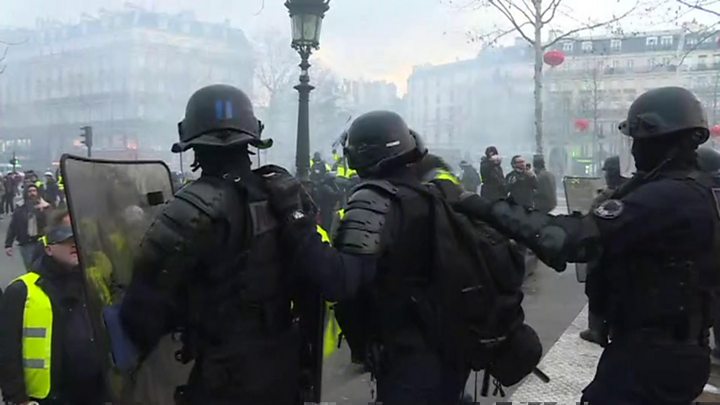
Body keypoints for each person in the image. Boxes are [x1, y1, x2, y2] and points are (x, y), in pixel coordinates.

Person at [453, 86, 719, 405]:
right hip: (659, 348)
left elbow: (567, 239)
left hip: (656, 356)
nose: (635, 149)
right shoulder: (677, 189)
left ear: (666, 140)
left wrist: (480, 206)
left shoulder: (670, 196)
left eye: (640, 139)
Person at [263, 111, 539, 404]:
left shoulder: (375, 199)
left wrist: (296, 219)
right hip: (448, 345)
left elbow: (339, 280)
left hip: (411, 358)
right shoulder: (430, 193)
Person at [119, 84, 313, 405]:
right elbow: (313, 278)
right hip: (284, 365)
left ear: (192, 144)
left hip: (225, 376)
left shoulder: (189, 208)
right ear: (252, 139)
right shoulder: (285, 196)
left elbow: (140, 313)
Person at [0, 210, 106, 405]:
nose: (75, 243)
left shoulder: (92, 280)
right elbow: (7, 353)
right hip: (51, 398)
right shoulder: (21, 290)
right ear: (48, 248)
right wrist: (18, 399)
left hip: (99, 391)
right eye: (66, 238)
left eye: (78, 236)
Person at [5, 184, 51, 270]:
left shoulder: (45, 206)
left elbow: (53, 223)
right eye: (29, 191)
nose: (32, 193)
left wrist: (45, 210)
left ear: (38, 193)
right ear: (26, 193)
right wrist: (8, 245)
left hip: (42, 242)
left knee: (46, 268)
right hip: (26, 243)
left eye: (34, 191)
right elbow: (13, 226)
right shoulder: (20, 208)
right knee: (31, 269)